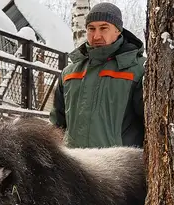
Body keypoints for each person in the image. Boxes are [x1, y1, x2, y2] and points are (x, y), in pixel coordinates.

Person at [49, 3, 146, 148]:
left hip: (120, 166)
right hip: (74, 164)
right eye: (91, 29)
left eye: (104, 28)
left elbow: (152, 125)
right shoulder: (69, 73)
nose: (96, 35)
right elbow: (57, 124)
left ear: (118, 30)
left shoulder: (139, 70)